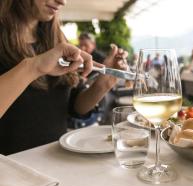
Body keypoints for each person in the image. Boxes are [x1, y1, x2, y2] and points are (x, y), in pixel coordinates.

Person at [0, 0, 127, 155]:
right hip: (10, 171)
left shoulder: (56, 39)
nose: (62, 1)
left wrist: (105, 83)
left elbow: (75, 107)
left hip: (56, 164)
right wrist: (33, 67)